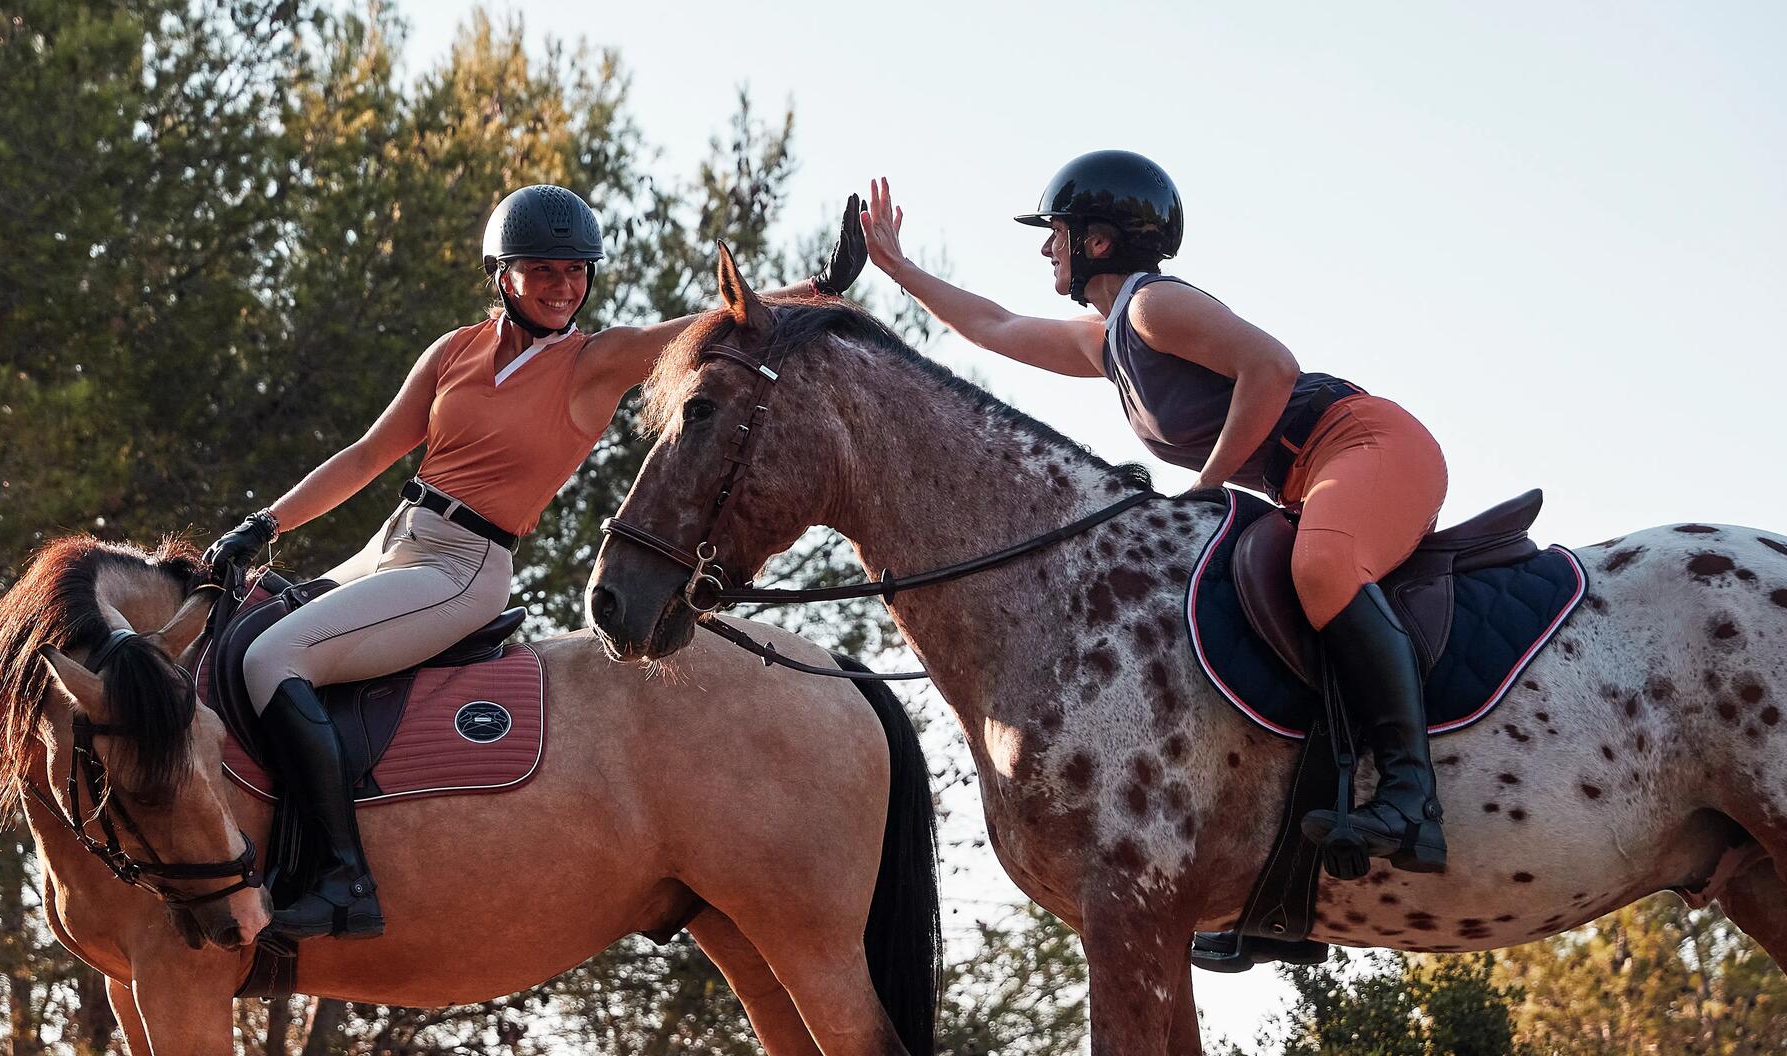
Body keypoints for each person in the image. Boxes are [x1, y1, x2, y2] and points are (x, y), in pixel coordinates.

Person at [204, 184, 866, 939]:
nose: (563, 287)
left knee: (272, 660)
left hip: (460, 570)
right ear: (503, 274)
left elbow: (714, 322)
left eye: (576, 271)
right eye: (543, 270)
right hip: (391, 545)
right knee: (236, 632)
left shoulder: (595, 362)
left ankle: (341, 879)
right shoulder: (455, 349)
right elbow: (366, 455)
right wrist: (263, 524)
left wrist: (819, 287)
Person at [860, 153, 1448, 875]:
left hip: (1365, 442)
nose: (1048, 248)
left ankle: (1414, 795)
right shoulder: (1109, 342)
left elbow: (1273, 368)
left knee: (1320, 566)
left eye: (1058, 233)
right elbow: (995, 325)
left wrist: (1206, 484)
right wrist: (899, 269)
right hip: (1307, 476)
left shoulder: (1150, 306)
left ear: (1099, 242)